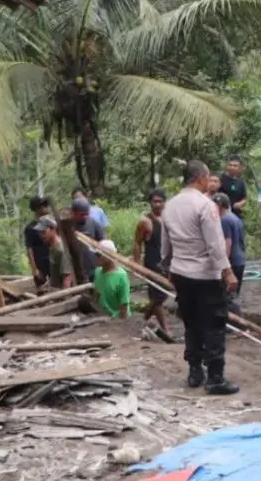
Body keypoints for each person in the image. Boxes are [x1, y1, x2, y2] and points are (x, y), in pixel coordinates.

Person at [161, 160, 239, 395]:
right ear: (200, 178)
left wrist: (169, 269)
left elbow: (166, 246)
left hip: (182, 273)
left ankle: (195, 371)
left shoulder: (170, 206)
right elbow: (215, 245)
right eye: (208, 177)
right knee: (214, 324)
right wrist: (227, 272)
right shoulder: (205, 205)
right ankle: (215, 377)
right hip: (205, 274)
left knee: (191, 324)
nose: (210, 181)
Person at [134, 189, 173, 340]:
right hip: (153, 263)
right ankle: (165, 328)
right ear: (150, 203)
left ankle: (144, 317)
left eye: (160, 201)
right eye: (154, 201)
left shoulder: (170, 219)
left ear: (165, 202)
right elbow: (137, 243)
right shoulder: (145, 222)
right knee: (157, 295)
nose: (157, 204)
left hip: (169, 263)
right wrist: (137, 265)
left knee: (163, 295)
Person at [214, 192, 246, 313]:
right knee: (233, 295)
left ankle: (236, 323)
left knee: (227, 297)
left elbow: (227, 243)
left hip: (232, 261)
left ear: (220, 205)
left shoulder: (224, 220)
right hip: (240, 260)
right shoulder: (235, 218)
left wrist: (224, 265)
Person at [32, 216, 73, 290]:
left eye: (43, 232)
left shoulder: (60, 249)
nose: (41, 235)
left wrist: (64, 299)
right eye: (39, 232)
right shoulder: (52, 247)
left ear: (53, 229)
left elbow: (67, 279)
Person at [91, 247, 131, 319]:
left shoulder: (121, 276)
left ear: (110, 255)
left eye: (99, 255)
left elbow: (124, 304)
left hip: (117, 318)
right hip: (102, 317)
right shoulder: (98, 271)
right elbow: (96, 295)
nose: (96, 257)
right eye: (96, 255)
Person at [71, 198, 106, 279]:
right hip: (75, 268)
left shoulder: (93, 223)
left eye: (87, 214)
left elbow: (103, 242)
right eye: (82, 214)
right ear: (74, 213)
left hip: (93, 266)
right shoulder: (68, 226)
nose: (85, 216)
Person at [24, 197, 53, 291]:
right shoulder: (30, 228)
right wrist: (34, 269)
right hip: (40, 264)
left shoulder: (50, 224)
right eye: (43, 206)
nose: (46, 208)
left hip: (52, 261)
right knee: (41, 290)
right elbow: (29, 249)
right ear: (37, 209)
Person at [219, 155, 248, 219]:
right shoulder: (221, 179)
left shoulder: (241, 182)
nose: (232, 167)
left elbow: (244, 197)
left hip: (236, 214)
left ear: (239, 168)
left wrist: (240, 203)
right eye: (230, 165)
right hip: (222, 214)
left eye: (235, 166)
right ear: (227, 166)